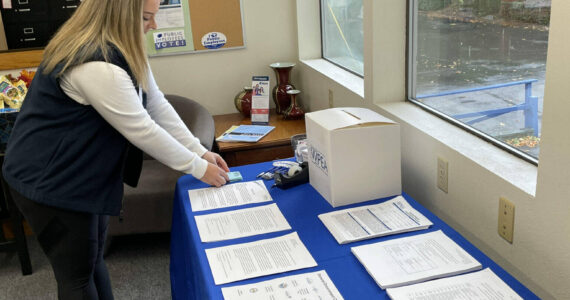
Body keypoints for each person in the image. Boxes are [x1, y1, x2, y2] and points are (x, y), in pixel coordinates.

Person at [1, 0, 230, 298]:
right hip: (48, 180)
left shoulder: (123, 46)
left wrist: (198, 150)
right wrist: (198, 168)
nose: (154, 25)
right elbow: (142, 129)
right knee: (77, 276)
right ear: (120, 15)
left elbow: (156, 102)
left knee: (93, 259)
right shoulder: (95, 64)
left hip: (81, 171)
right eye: (147, 17)